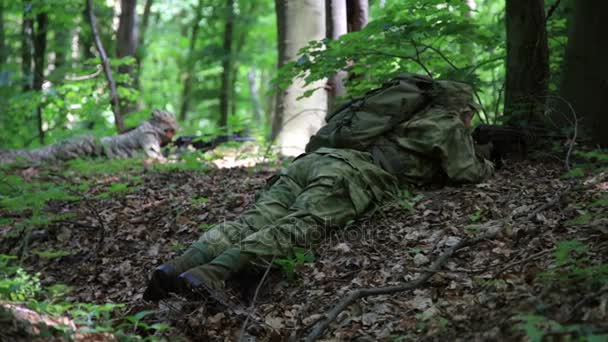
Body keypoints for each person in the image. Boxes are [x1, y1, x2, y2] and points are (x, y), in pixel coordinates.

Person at [143, 76, 494, 301]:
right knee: (299, 224)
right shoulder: (446, 123)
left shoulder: (398, 114)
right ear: (462, 108)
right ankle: (211, 274)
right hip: (348, 175)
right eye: (470, 115)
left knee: (251, 220)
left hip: (316, 160)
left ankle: (175, 268)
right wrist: (489, 158)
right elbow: (467, 172)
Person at [0, 110, 178, 166]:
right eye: (171, 131)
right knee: (34, 158)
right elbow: (154, 158)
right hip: (85, 147)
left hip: (85, 145)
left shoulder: (145, 130)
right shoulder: (148, 134)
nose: (173, 135)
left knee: (34, 155)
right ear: (164, 129)